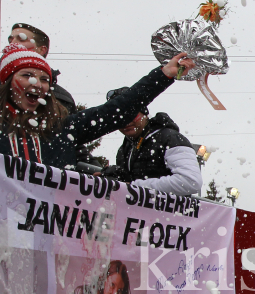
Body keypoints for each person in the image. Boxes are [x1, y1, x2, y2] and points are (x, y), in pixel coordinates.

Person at [0, 43, 192, 169]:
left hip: (47, 228)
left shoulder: (63, 129)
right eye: (26, 75)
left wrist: (164, 75)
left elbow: (118, 109)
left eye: (44, 79)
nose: (36, 83)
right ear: (6, 82)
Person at [103, 94, 202, 196]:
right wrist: (116, 178)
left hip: (171, 211)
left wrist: (133, 186)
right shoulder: (124, 149)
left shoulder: (170, 138)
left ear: (144, 113)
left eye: (132, 114)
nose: (126, 122)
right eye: (119, 117)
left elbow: (191, 182)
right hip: (137, 211)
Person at [7, 22, 75, 111]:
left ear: (41, 50)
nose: (12, 43)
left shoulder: (59, 98)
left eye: (21, 39)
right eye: (10, 40)